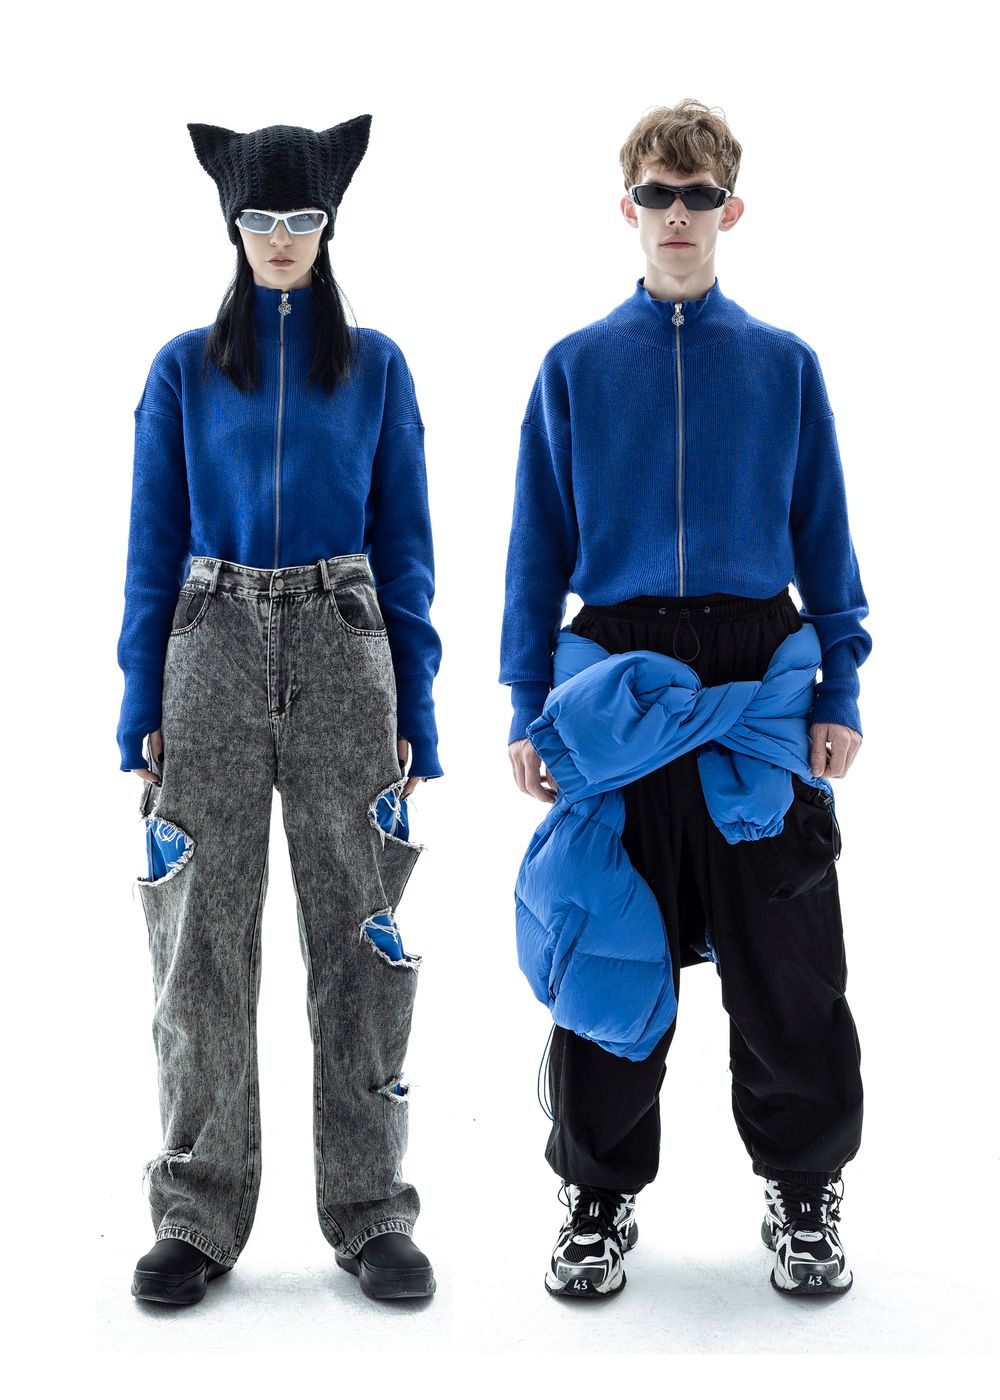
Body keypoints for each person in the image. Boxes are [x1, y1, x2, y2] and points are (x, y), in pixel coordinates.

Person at [499, 99, 870, 1301]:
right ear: (627, 207)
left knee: (787, 957)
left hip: (756, 671)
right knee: (608, 938)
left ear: (729, 209)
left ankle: (803, 1189)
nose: (676, 215)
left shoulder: (782, 366)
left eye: (696, 196)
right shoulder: (572, 368)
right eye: (656, 194)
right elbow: (534, 548)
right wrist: (525, 700)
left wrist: (840, 686)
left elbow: (826, 539)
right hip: (618, 681)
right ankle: (596, 1195)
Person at [117, 117, 442, 1305]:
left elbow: (405, 545)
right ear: (233, 223)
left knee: (359, 929)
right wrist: (137, 700)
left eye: (303, 216)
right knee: (199, 935)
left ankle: (370, 1208)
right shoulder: (183, 369)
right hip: (206, 638)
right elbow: (153, 546)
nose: (282, 237)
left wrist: (418, 705)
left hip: (344, 634)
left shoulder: (378, 367)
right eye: (261, 217)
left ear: (329, 222)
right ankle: (195, 1210)